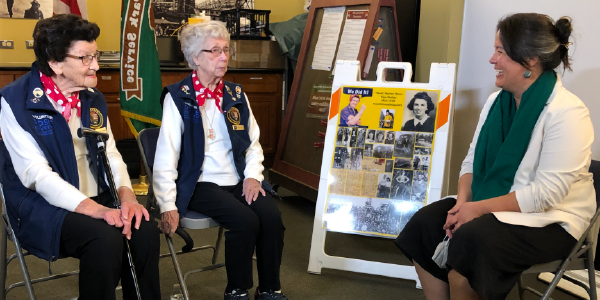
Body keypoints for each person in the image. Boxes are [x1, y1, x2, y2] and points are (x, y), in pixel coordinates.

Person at [395, 13, 595, 300]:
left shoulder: (567, 113)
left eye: (500, 52)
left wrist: (476, 211)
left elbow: (546, 195)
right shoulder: (495, 103)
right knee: (426, 223)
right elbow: (471, 161)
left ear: (530, 60)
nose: (492, 59)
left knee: (471, 240)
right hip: (495, 204)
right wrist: (463, 204)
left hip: (554, 219)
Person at [0, 15, 160, 300]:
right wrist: (97, 211)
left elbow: (110, 152)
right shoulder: (15, 101)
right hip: (43, 206)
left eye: (95, 55)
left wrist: (127, 197)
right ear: (55, 63)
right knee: (104, 238)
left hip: (98, 196)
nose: (96, 65)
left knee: (143, 227)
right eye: (85, 58)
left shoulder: (92, 97)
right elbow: (36, 175)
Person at [153, 21, 287, 300]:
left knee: (272, 218)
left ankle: (269, 288)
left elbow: (252, 145)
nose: (224, 57)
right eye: (214, 51)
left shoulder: (235, 95)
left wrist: (253, 176)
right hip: (199, 183)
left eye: (226, 49)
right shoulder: (178, 98)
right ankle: (237, 290)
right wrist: (167, 204)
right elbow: (166, 156)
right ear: (194, 58)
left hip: (238, 178)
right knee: (245, 221)